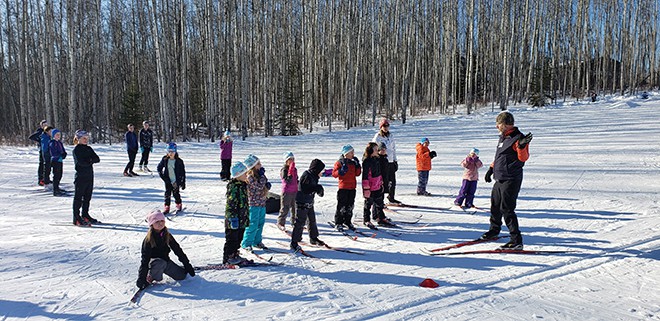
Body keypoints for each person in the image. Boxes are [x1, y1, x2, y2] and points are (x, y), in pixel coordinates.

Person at [481, 112, 533, 250]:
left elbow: (523, 158)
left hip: (511, 178)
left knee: (507, 209)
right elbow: (501, 156)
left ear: (504, 124)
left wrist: (521, 147)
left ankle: (516, 240)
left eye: (498, 124)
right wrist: (491, 169)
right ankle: (494, 230)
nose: (496, 126)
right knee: (495, 205)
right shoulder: (503, 137)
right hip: (500, 177)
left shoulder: (518, 138)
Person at [136, 210, 195, 290]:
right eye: (157, 221)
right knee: (160, 263)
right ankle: (151, 276)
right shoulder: (148, 240)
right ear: (152, 224)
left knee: (182, 276)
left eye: (162, 221)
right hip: (154, 263)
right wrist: (141, 279)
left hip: (165, 261)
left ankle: (165, 269)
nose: (160, 223)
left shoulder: (167, 235)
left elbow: (177, 250)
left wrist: (187, 265)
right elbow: (144, 261)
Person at [291, 159, 326, 251]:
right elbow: (304, 189)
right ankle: (294, 242)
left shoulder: (314, 176)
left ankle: (313, 238)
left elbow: (313, 189)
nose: (321, 173)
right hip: (302, 202)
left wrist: (319, 190)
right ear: (316, 169)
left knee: (312, 220)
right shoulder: (306, 175)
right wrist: (316, 188)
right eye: (320, 170)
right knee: (300, 222)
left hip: (309, 201)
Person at [241, 154, 271, 251]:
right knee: (252, 224)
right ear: (253, 166)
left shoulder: (259, 175)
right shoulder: (250, 176)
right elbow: (259, 186)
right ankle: (246, 243)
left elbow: (264, 184)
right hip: (253, 204)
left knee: (260, 223)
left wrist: (264, 180)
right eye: (258, 164)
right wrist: (263, 178)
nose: (261, 165)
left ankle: (257, 241)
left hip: (261, 203)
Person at [223, 161, 250, 264]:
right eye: (244, 173)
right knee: (232, 239)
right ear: (238, 175)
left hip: (242, 218)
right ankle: (228, 257)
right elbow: (230, 204)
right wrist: (232, 218)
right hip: (233, 219)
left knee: (239, 238)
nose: (246, 175)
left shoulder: (243, 185)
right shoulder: (233, 186)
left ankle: (235, 254)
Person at [72, 130, 100, 226]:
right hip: (80, 177)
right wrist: (90, 160)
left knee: (87, 197)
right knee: (78, 198)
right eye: (83, 138)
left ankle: (85, 214)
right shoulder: (76, 150)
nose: (85, 140)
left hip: (89, 176)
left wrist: (90, 160)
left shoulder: (89, 148)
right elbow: (81, 162)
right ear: (78, 139)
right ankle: (76, 217)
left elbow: (97, 158)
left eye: (87, 138)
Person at [331, 145, 362, 231]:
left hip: (352, 187)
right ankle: (339, 222)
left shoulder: (352, 162)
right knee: (341, 206)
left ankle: (347, 221)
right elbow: (334, 174)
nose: (353, 154)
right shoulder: (340, 162)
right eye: (351, 152)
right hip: (343, 188)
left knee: (350, 206)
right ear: (346, 153)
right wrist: (340, 171)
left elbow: (357, 173)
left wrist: (358, 165)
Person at [362, 142, 390, 228]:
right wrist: (366, 188)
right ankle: (366, 220)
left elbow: (380, 172)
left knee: (379, 203)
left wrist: (381, 182)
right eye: (375, 149)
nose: (377, 151)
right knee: (368, 204)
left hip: (377, 184)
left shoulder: (377, 159)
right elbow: (365, 176)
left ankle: (380, 217)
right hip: (370, 186)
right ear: (371, 150)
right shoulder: (366, 161)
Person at [372, 118, 400, 203]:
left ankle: (391, 197)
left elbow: (393, 149)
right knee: (383, 181)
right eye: (384, 126)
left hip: (390, 160)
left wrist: (395, 160)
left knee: (392, 181)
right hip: (382, 161)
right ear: (381, 127)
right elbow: (373, 149)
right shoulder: (378, 137)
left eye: (387, 125)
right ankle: (380, 200)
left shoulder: (390, 136)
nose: (386, 127)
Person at [156, 143, 186, 214]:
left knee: (176, 194)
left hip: (176, 181)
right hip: (168, 181)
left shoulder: (179, 161)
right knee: (167, 194)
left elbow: (183, 172)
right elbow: (159, 168)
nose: (171, 153)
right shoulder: (165, 160)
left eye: (172, 152)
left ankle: (178, 204)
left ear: (175, 152)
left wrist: (183, 182)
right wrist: (163, 177)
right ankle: (167, 206)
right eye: (169, 152)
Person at [277, 152, 298, 230]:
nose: (291, 161)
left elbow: (296, 179)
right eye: (289, 160)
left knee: (295, 207)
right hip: (287, 191)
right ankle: (280, 222)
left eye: (293, 159)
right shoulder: (284, 169)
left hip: (295, 191)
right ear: (286, 161)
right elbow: (285, 180)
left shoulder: (295, 169)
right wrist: (289, 174)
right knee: (285, 208)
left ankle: (294, 221)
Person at [48, 129, 68, 196]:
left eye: (59, 134)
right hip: (55, 161)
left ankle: (57, 188)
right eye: (57, 135)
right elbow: (53, 153)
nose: (58, 136)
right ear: (54, 135)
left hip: (60, 160)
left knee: (60, 175)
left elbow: (62, 150)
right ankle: (55, 190)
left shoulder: (59, 142)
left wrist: (64, 154)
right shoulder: (52, 143)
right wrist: (60, 155)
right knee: (56, 175)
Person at [29, 120, 48, 186]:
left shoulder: (47, 131)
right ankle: (40, 179)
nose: (45, 126)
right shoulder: (40, 131)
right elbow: (31, 137)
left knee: (47, 164)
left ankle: (46, 178)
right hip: (42, 149)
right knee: (42, 164)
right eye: (44, 125)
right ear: (41, 126)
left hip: (47, 150)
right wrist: (39, 141)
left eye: (46, 124)